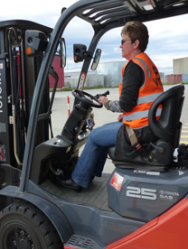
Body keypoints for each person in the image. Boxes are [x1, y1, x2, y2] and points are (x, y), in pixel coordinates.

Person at [58, 21, 163, 191]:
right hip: (148, 125)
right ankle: (88, 173)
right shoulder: (147, 63)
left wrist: (106, 103)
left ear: (135, 44)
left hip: (139, 131)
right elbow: (143, 100)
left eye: (123, 41)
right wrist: (126, 114)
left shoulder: (134, 66)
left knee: (94, 137)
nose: (120, 45)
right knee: (103, 133)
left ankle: (78, 180)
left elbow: (126, 104)